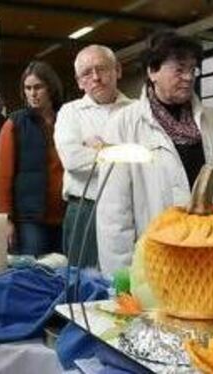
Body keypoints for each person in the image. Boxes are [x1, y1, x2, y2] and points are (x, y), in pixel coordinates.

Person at [97, 32, 213, 275]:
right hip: (158, 256)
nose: (189, 77)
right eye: (179, 70)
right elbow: (113, 211)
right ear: (152, 72)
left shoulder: (212, 121)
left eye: (193, 69)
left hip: (208, 250)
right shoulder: (124, 125)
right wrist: (121, 276)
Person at [54, 45, 133, 268]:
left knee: (124, 281)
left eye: (102, 69)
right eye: (87, 73)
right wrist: (123, 152)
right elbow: (73, 161)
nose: (96, 78)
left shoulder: (137, 110)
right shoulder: (70, 112)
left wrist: (102, 148)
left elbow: (146, 160)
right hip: (84, 209)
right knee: (82, 282)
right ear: (79, 81)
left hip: (128, 207)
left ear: (117, 70)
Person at [0, 61, 65, 256]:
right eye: (28, 88)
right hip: (30, 218)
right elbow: (3, 177)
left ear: (50, 88)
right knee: (33, 274)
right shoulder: (15, 123)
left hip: (65, 214)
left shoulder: (68, 118)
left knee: (64, 273)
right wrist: (7, 220)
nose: (33, 93)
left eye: (38, 87)